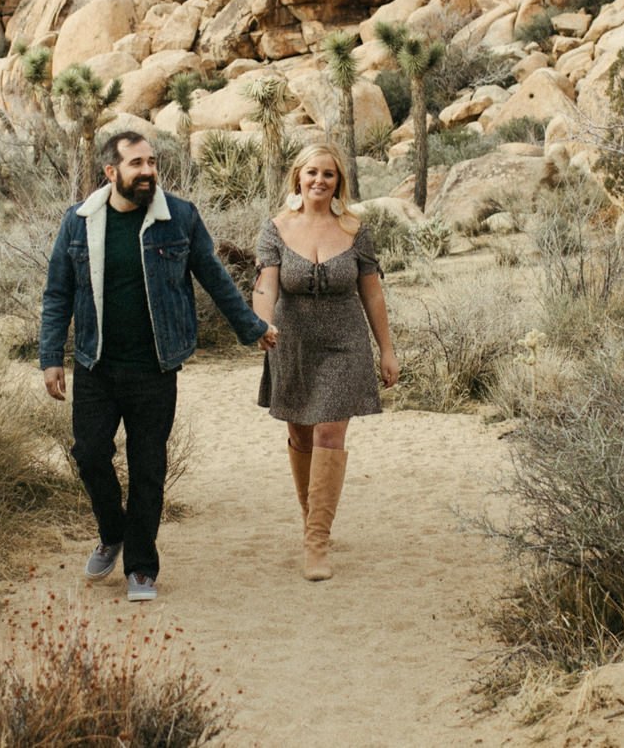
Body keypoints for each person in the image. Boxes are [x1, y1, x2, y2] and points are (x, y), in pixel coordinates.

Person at [40, 129, 277, 602]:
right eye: (136, 164)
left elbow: (213, 276)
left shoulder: (180, 218)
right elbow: (57, 293)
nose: (148, 171)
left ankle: (141, 568)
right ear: (111, 172)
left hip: (155, 367)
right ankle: (113, 532)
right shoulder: (79, 222)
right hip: (96, 363)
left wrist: (251, 327)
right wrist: (51, 357)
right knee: (89, 455)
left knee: (148, 465)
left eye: (151, 162)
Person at [253, 143, 398, 580]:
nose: (319, 181)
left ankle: (317, 543)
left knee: (329, 432)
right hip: (291, 342)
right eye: (312, 172)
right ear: (298, 176)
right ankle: (310, 518)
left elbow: (372, 293)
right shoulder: (275, 229)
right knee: (300, 433)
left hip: (343, 341)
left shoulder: (356, 230)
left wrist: (386, 350)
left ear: (339, 182)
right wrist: (262, 325)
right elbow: (266, 286)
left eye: (329, 175)